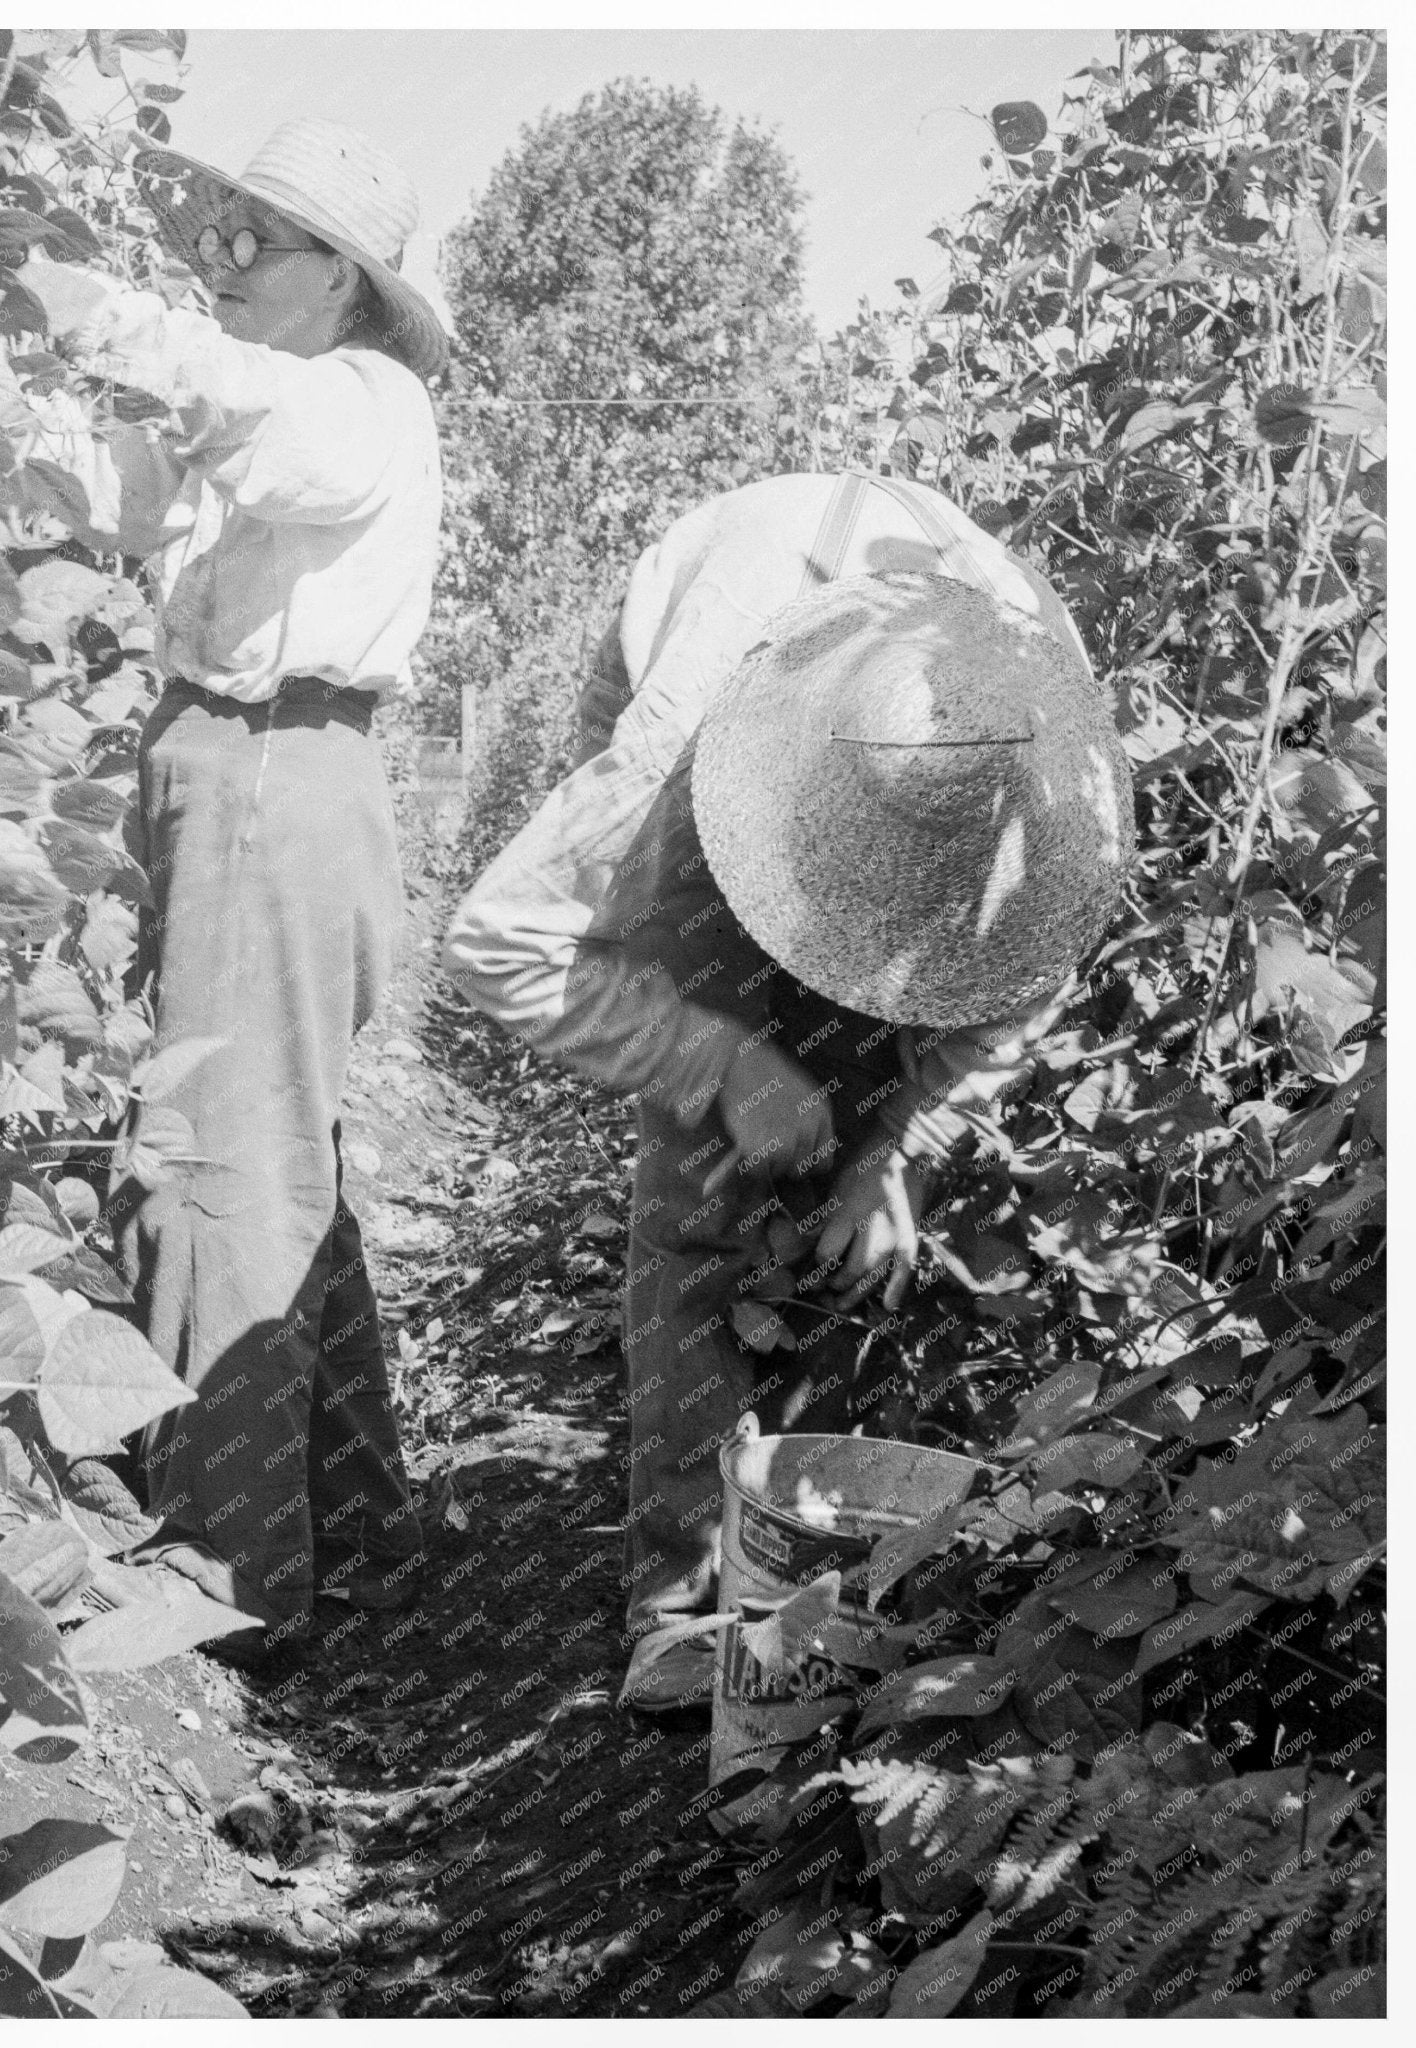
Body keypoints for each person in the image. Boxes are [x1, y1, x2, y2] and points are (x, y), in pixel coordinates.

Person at [440, 472, 1133, 1711]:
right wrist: (719, 1061)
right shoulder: (681, 732)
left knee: (842, 1179)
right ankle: (674, 1605)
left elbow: (1037, 951)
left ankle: (797, 1581)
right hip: (707, 783)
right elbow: (497, 941)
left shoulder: (1035, 716)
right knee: (706, 1196)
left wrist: (896, 1147)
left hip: (905, 763)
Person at [20, 121, 448, 1655]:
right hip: (235, 771)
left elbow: (241, 411)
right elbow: (106, 491)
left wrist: (94, 305)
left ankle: (227, 1569)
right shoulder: (253, 417)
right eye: (213, 231)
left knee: (215, 1157)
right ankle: (352, 1534)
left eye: (251, 239)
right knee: (273, 1158)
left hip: (277, 771)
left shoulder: (357, 401)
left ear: (341, 276)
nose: (216, 259)